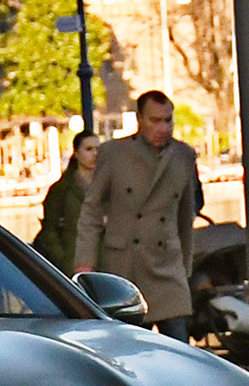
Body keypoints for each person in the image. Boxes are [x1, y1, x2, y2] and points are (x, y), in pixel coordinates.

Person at [73, 91, 201, 340]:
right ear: (139, 119)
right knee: (133, 352)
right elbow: (92, 211)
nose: (162, 128)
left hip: (168, 268)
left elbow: (186, 216)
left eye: (168, 120)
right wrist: (84, 264)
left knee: (178, 350)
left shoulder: (184, 156)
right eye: (155, 120)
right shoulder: (114, 154)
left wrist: (185, 266)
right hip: (127, 268)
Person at [33, 131, 101, 271]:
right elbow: (49, 231)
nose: (95, 154)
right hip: (73, 265)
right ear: (76, 153)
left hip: (105, 265)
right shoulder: (62, 190)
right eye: (88, 149)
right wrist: (64, 261)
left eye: (98, 149)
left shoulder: (109, 186)